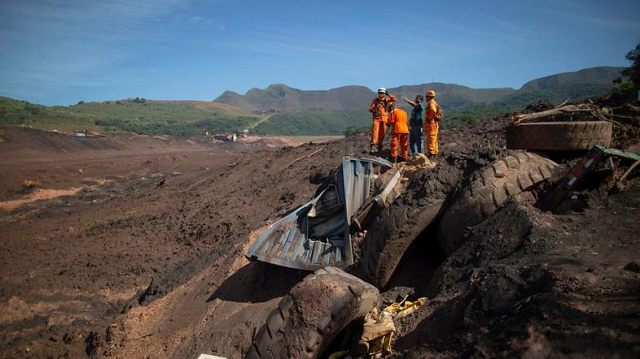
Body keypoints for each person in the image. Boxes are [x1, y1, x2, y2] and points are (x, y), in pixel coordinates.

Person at [368, 88, 396, 154]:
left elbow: (394, 99)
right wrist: (374, 110)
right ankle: (372, 146)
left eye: (383, 93)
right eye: (380, 93)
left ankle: (379, 146)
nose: (381, 94)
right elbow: (370, 109)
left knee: (382, 134)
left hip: (384, 120)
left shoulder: (386, 100)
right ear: (378, 94)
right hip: (376, 119)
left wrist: (388, 94)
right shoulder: (376, 101)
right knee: (375, 133)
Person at [424, 90, 440, 157]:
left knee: (431, 139)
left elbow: (433, 110)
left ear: (429, 97)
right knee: (434, 139)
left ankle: (431, 153)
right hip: (434, 124)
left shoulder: (431, 103)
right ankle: (435, 152)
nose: (426, 98)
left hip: (431, 124)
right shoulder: (434, 103)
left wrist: (429, 118)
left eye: (426, 96)